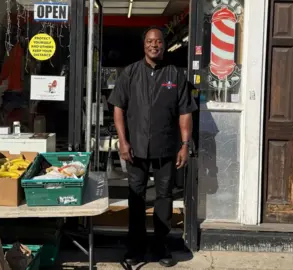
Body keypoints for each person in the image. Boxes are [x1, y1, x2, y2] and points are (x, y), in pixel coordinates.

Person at [108, 26, 197, 267]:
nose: (154, 45)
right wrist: (123, 142)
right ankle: (135, 249)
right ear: (144, 45)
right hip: (135, 148)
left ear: (164, 45)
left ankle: (161, 248)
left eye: (158, 41)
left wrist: (185, 145)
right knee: (135, 198)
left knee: (164, 198)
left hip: (166, 148)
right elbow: (118, 109)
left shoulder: (176, 75)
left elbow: (185, 112)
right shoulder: (130, 73)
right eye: (149, 41)